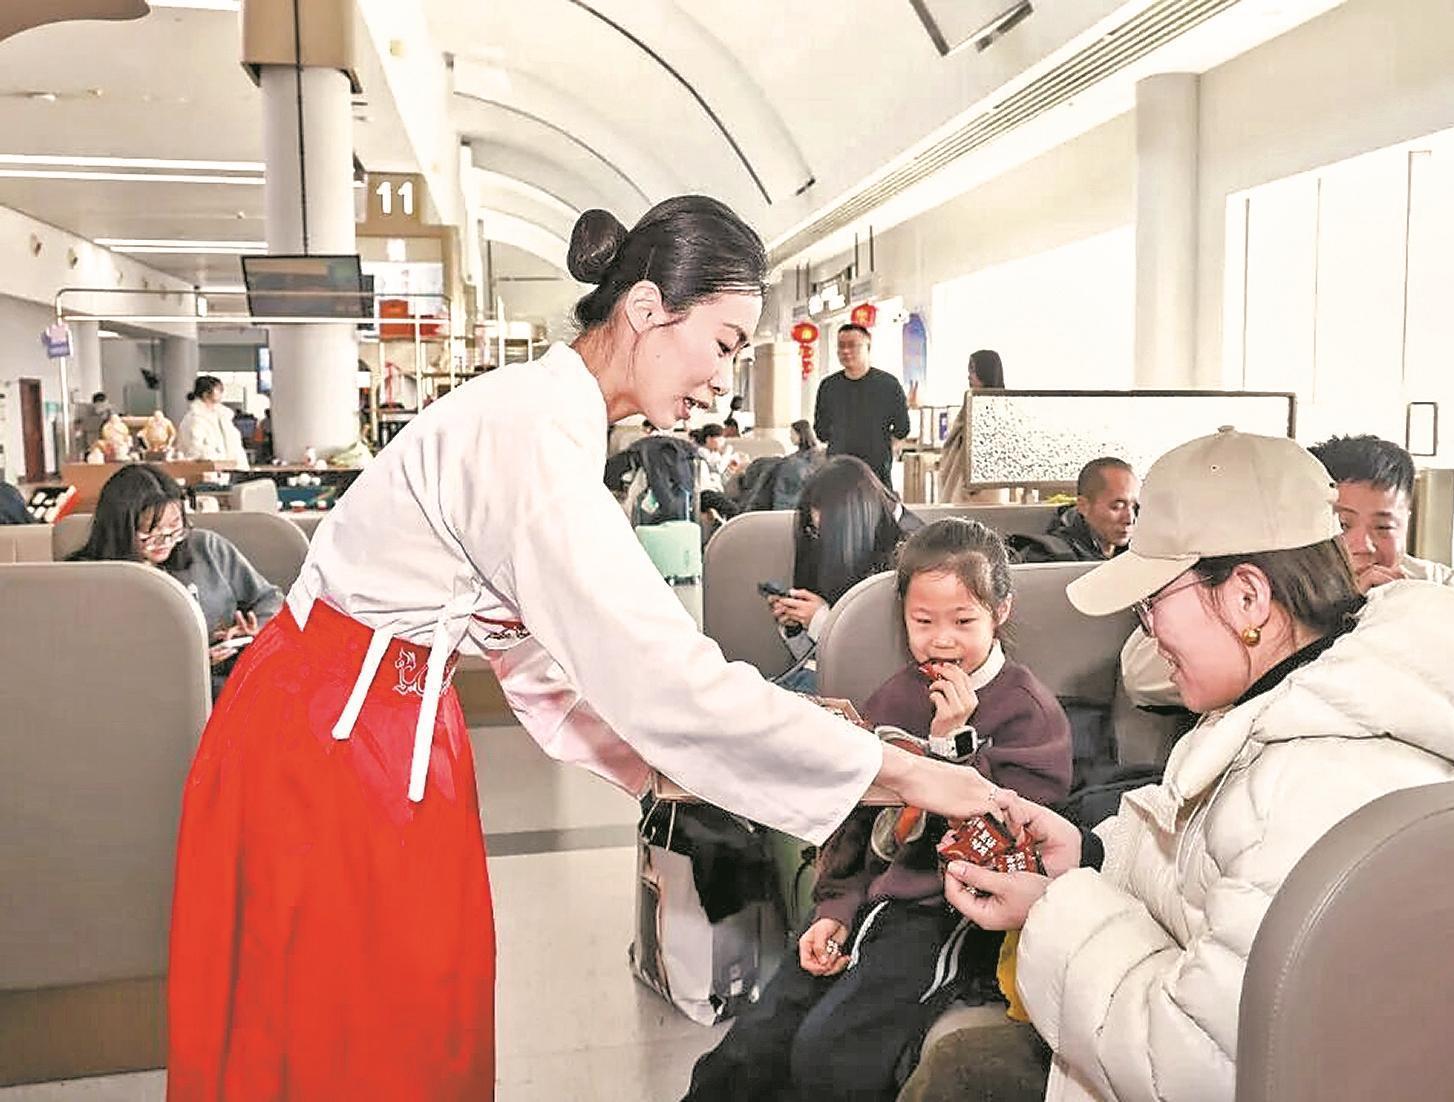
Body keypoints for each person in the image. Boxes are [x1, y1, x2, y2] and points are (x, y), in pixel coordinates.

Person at [165, 196, 1001, 1102]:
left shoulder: (543, 421)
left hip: (373, 722)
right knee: (354, 1040)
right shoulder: (534, 440)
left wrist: (700, 757)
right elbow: (665, 680)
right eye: (723, 344)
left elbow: (541, 666)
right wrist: (905, 773)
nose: (725, 381)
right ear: (646, 309)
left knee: (395, 1023)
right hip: (333, 745)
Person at [932, 428, 1454, 1102]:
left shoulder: (1313, 785)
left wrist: (1055, 911)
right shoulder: (1316, 702)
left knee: (959, 1074)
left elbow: (1193, 1068)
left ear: (1248, 596)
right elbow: (1220, 894)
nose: (1150, 631)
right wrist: (1089, 859)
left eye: (1153, 603)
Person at [685, 518, 1073, 1102]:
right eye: (923, 622)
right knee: (745, 1054)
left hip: (947, 917)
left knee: (830, 1056)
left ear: (1001, 612)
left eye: (963, 621)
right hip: (872, 900)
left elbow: (1016, 852)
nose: (942, 641)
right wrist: (834, 908)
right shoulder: (895, 696)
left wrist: (952, 747)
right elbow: (856, 821)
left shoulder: (1028, 714)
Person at [66, 464, 282, 693]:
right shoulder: (87, 578)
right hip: (150, 692)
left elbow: (271, 598)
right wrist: (192, 664)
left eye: (174, 527)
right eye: (149, 531)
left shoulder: (206, 548)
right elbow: (95, 661)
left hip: (235, 682)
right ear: (120, 530)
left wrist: (255, 630)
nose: (166, 541)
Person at [770, 455, 923, 693]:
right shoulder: (840, 547)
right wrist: (797, 626)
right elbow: (816, 661)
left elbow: (884, 662)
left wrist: (821, 621)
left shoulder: (912, 557)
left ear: (850, 527)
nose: (820, 541)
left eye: (826, 533)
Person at [1308, 434, 1454, 591]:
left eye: (1384, 526)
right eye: (1341, 525)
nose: (1364, 547)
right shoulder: (1290, 592)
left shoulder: (1439, 586)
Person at [814, 323, 911, 490]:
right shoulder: (828, 386)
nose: (846, 351)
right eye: (841, 346)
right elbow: (821, 430)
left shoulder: (888, 385)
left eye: (852, 345)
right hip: (838, 471)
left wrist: (883, 447)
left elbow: (902, 427)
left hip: (876, 473)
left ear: (868, 346)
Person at [1011, 458, 1139, 564]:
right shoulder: (1046, 558)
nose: (1129, 518)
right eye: (1117, 507)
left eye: (1134, 507)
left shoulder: (1140, 552)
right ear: (1083, 506)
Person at [937, 350, 1004, 504]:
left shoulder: (996, 407)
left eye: (973, 371)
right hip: (961, 479)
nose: (969, 376)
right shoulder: (971, 401)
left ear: (986, 372)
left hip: (981, 488)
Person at [176, 374, 251, 470]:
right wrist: (215, 461)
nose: (221, 393)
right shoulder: (194, 418)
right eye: (218, 390)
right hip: (210, 472)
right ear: (205, 394)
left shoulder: (224, 416)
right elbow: (195, 449)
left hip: (232, 469)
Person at [772, 419, 826, 512]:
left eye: (793, 434)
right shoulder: (805, 456)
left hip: (793, 504)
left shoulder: (800, 461)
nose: (790, 437)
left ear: (801, 434)